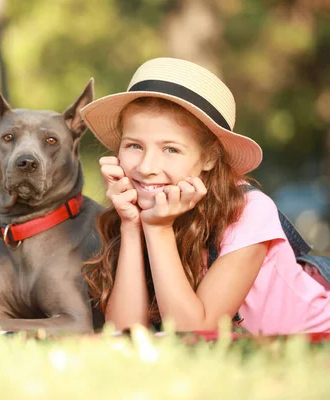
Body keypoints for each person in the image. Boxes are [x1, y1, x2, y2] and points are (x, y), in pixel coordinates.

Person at [79, 57, 330, 335]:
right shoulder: (136, 205)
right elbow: (124, 332)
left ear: (209, 157)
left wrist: (158, 229)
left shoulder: (251, 211)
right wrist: (132, 225)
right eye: (134, 146)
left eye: (171, 149)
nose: (146, 168)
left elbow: (194, 332)